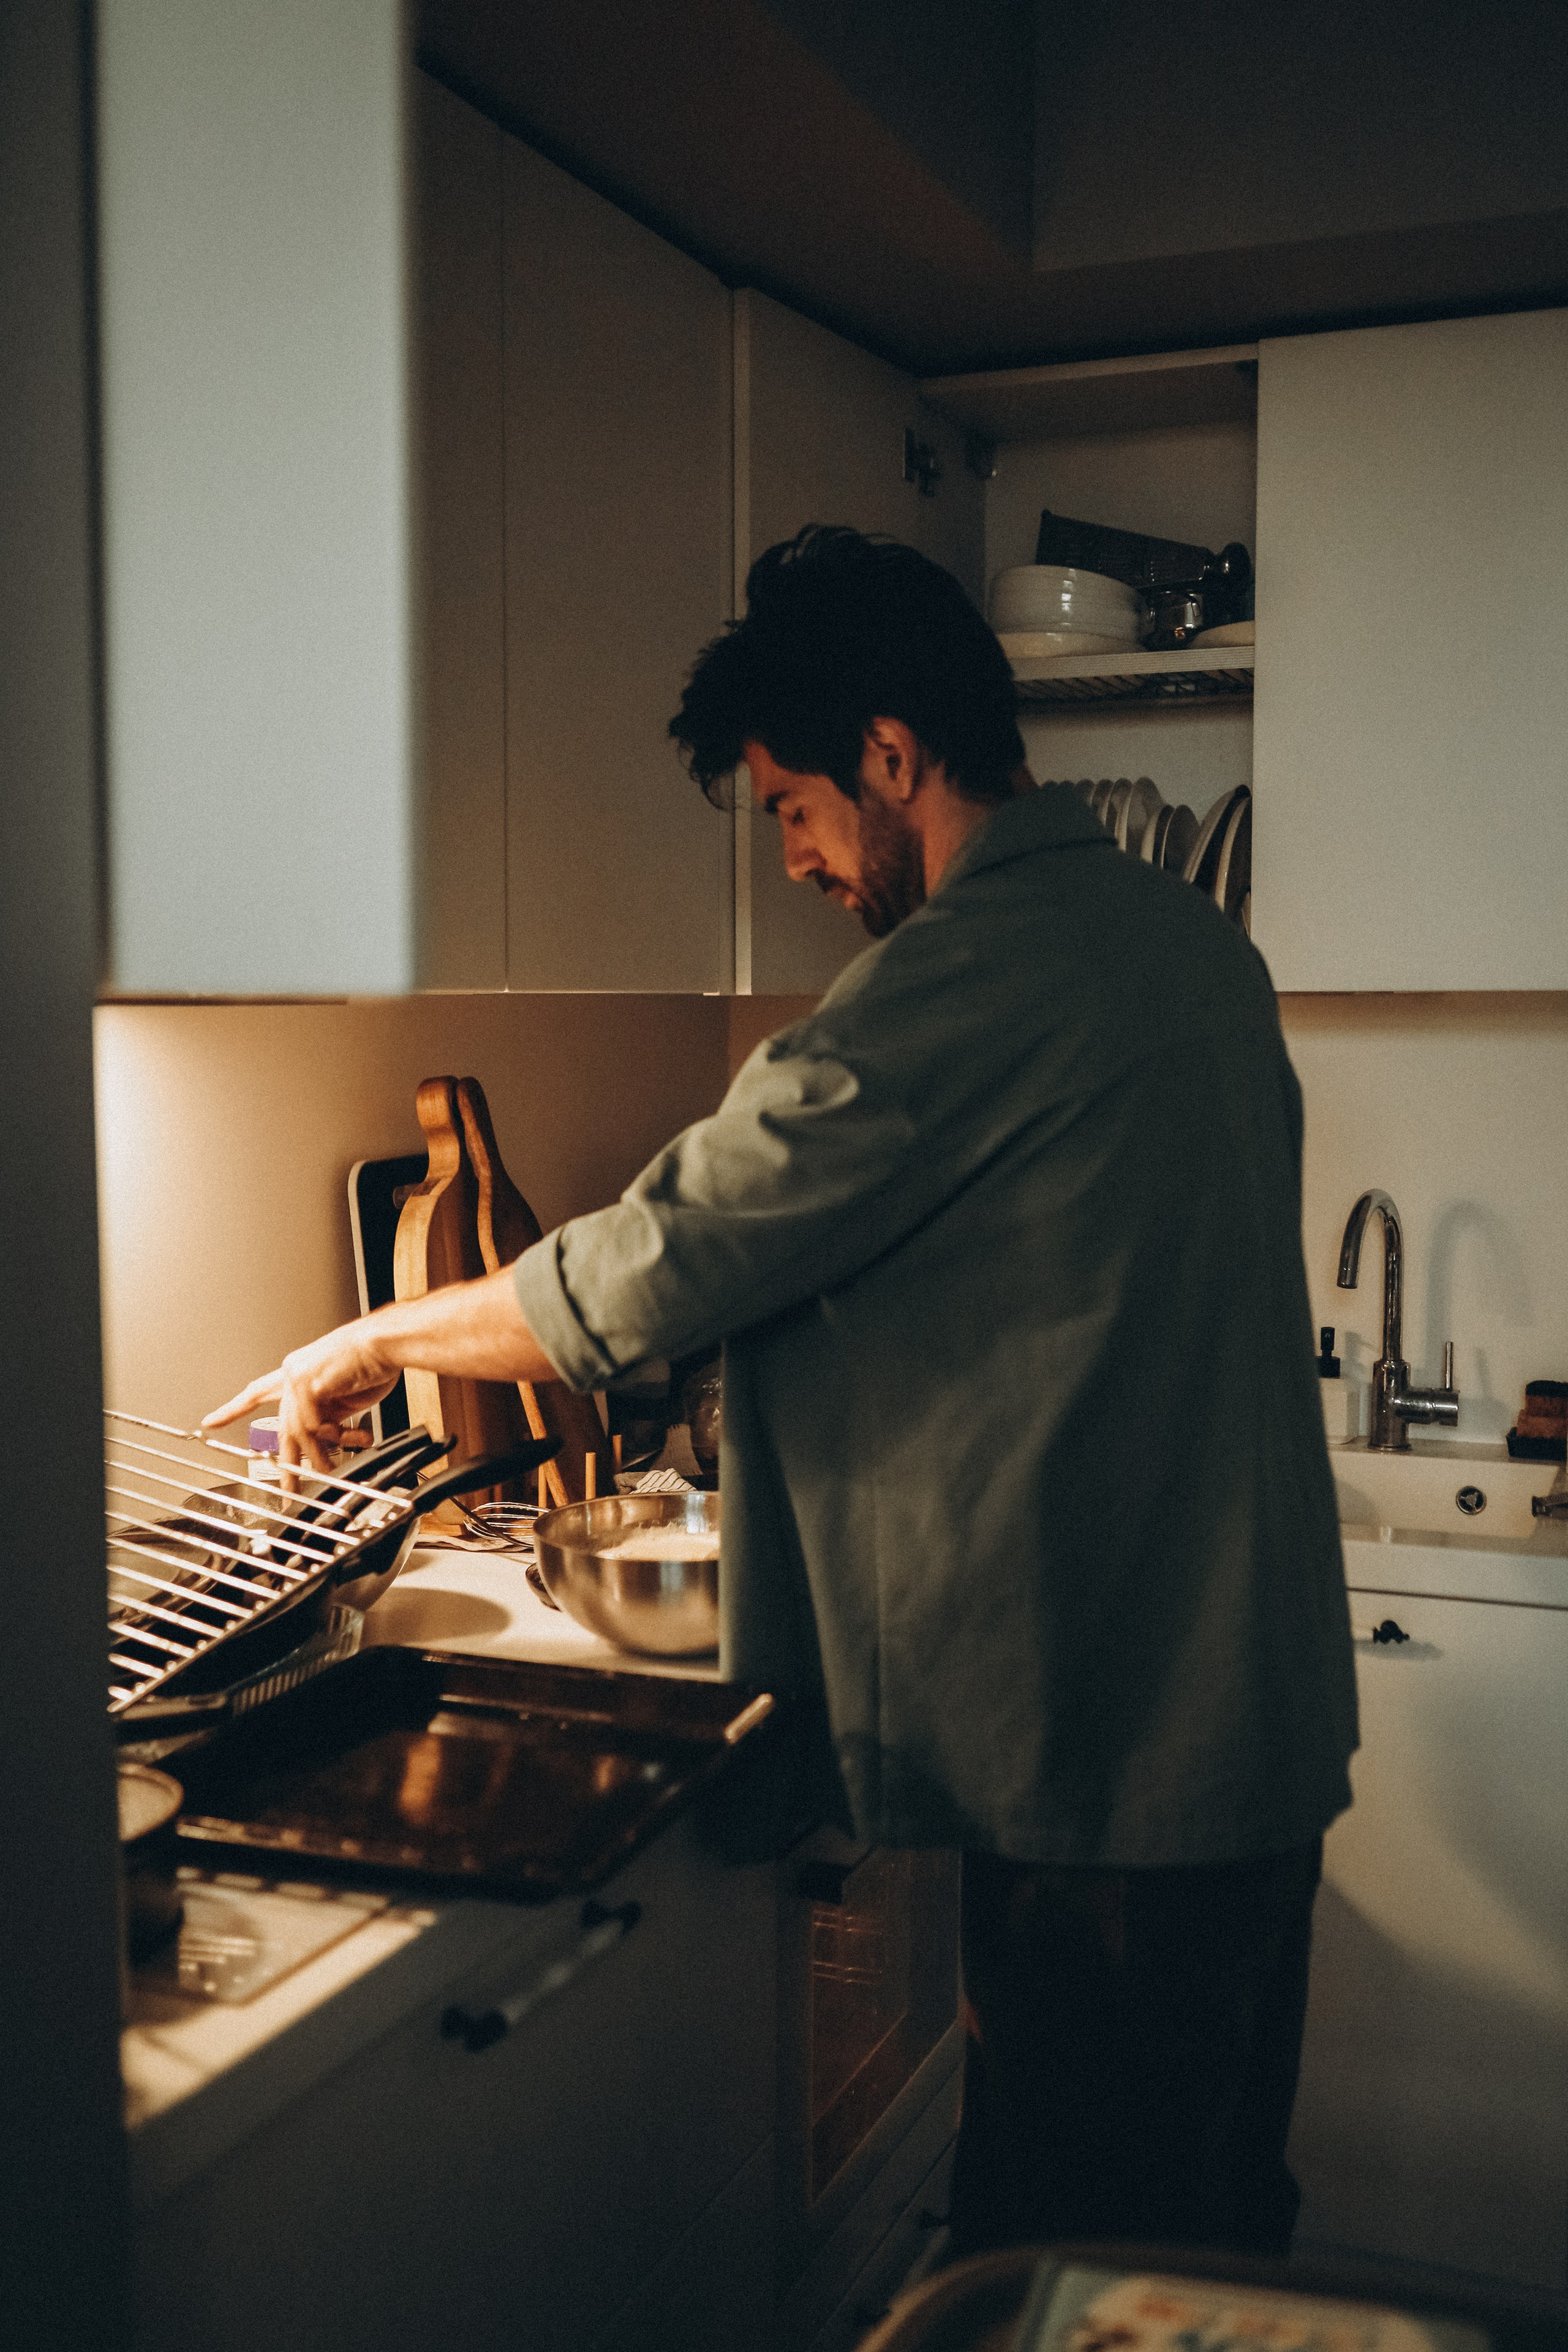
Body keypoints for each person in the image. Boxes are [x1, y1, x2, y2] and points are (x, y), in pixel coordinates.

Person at [208, 526, 1356, 2261]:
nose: (803, 860)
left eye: (795, 808)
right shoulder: (1186, 946)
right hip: (1254, 1735)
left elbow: (657, 1263)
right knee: (1209, 2244)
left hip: (1113, 1779)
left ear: (894, 757)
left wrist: (361, 1347)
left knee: (1065, 2260)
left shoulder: (960, 982)